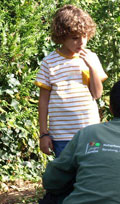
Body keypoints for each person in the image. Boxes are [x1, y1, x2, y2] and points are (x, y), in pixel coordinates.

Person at [35, 5, 107, 157]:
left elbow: (97, 94)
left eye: (85, 36)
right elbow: (43, 102)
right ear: (62, 36)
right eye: (75, 38)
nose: (81, 42)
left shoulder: (91, 58)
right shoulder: (49, 62)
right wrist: (43, 134)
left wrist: (92, 68)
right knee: (67, 177)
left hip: (90, 132)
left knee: (91, 175)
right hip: (61, 136)